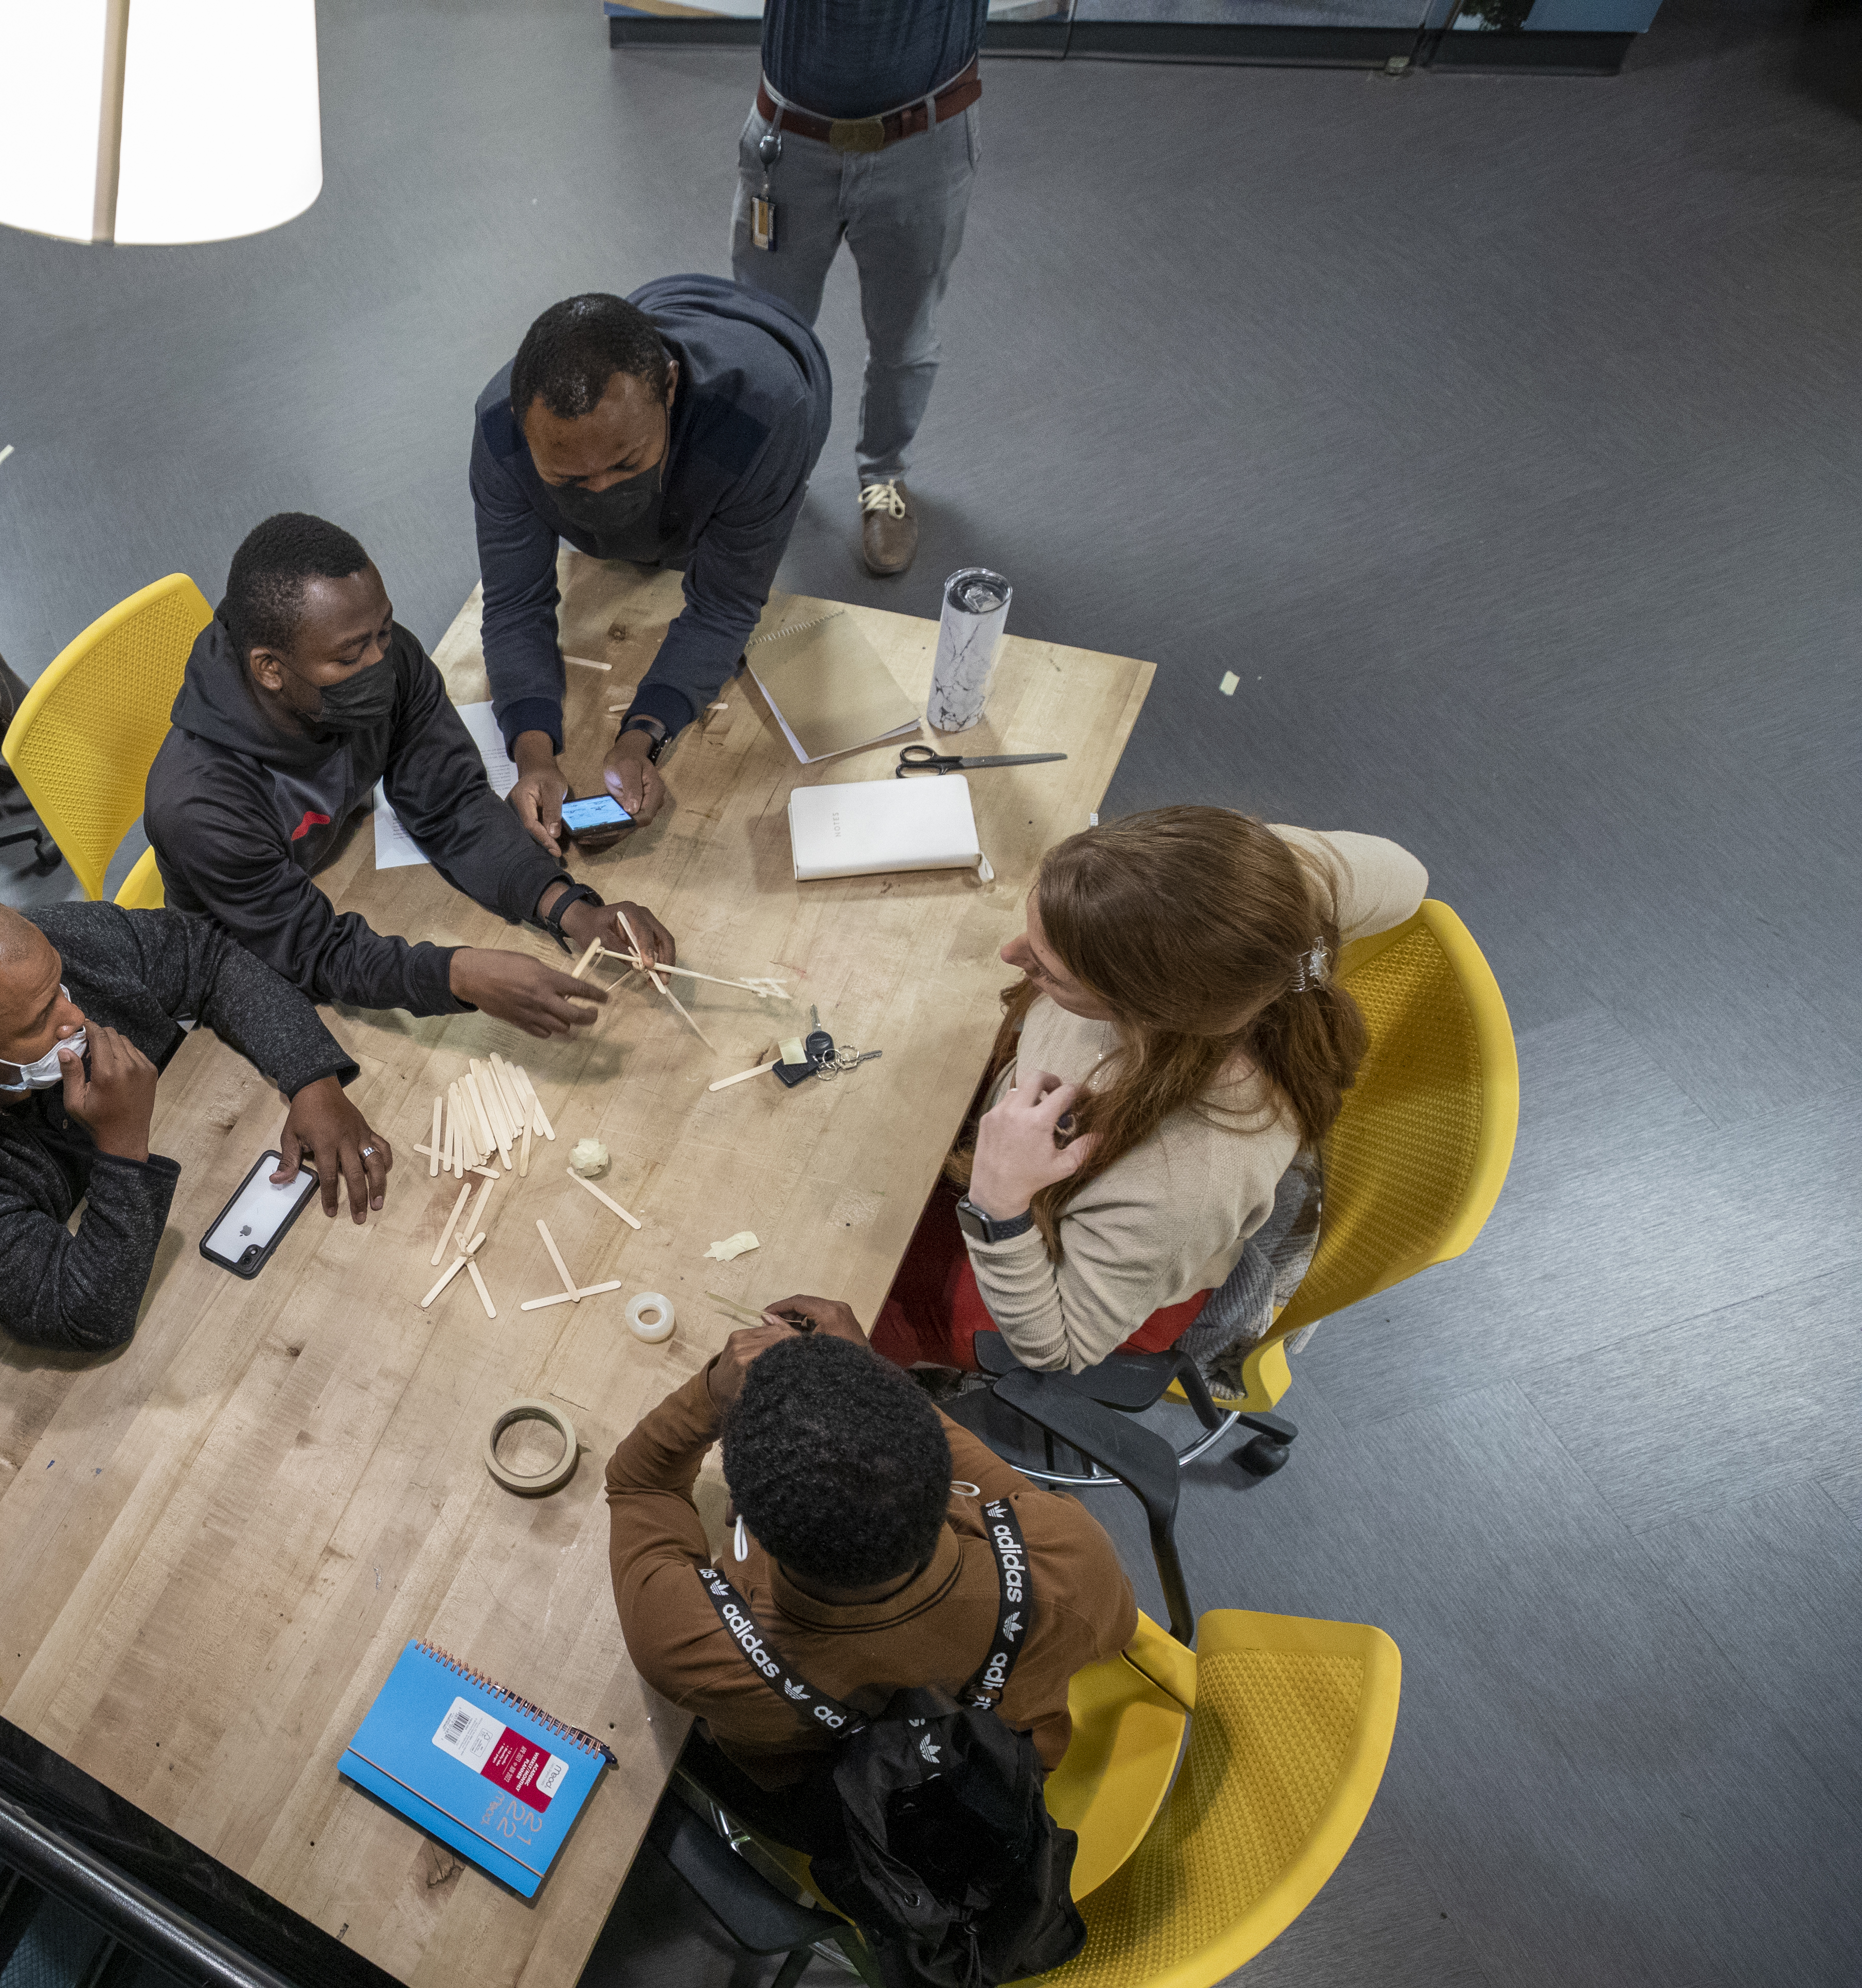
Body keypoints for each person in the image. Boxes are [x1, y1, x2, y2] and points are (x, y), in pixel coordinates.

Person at [868, 808, 1430, 1378]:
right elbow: (1409, 877)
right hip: (1044, 1173)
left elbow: (1056, 1350)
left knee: (860, 1299)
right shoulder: (1250, 904)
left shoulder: (1180, 1177)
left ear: (1149, 1009)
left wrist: (999, 1205)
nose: (1010, 955)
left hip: (1072, 1275)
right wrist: (1294, 877)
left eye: (1051, 972)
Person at [607, 1300, 1138, 1861]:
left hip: (845, 1821)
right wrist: (875, 1371)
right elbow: (1119, 1630)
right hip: (992, 1782)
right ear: (944, 1483)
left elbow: (641, 1486)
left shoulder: (682, 1643)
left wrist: (714, 1391)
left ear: (742, 1517)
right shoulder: (1069, 1564)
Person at [145, 514, 673, 1039]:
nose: (383, 660)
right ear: (270, 669)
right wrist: (460, 975)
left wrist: (569, 909)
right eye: (352, 654)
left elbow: (450, 803)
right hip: (240, 972)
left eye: (384, 629)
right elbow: (317, 953)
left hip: (320, 885)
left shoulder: (381, 663)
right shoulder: (200, 804)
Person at [0, 891, 389, 1354]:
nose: (74, 1016)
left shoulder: (57, 946)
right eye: (40, 1021)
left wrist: (313, 1078)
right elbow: (87, 1315)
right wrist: (123, 1144)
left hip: (199, 1179)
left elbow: (211, 959)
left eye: (58, 987)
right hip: (137, 1297)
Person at [471, 281, 830, 851]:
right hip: (660, 310)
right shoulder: (500, 427)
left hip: (781, 361)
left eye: (625, 462)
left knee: (700, 545)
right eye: (569, 477)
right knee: (636, 547)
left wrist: (643, 734)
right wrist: (531, 754)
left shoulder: (766, 417)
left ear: (668, 387)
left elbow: (724, 604)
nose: (601, 490)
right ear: (523, 422)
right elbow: (514, 602)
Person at [732, 0, 986, 579]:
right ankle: (767, 475)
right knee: (765, 333)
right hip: (789, 141)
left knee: (905, 335)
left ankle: (885, 477)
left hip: (923, 142)